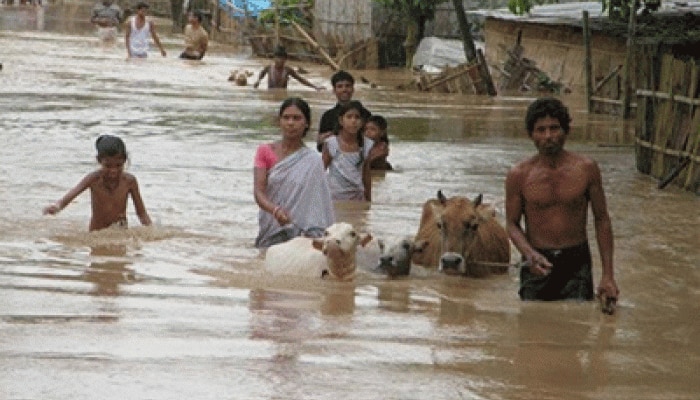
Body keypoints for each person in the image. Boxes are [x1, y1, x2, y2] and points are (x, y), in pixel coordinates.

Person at [504, 97, 619, 303]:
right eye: (541, 130)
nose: (548, 136)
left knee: (578, 326)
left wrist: (608, 276)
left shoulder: (586, 169)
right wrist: (529, 254)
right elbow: (512, 224)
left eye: (554, 128)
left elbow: (602, 220)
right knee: (532, 326)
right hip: (537, 262)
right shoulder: (519, 175)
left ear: (566, 131)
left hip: (576, 262)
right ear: (531, 135)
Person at [253, 97, 335, 248]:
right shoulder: (265, 151)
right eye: (286, 118)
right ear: (279, 121)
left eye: (297, 118)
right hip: (272, 229)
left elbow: (319, 204)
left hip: (303, 235)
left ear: (306, 124)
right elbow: (259, 193)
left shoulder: (314, 161)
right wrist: (275, 211)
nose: (290, 123)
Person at [43, 135, 152, 231]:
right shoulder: (93, 179)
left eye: (118, 165)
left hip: (121, 233)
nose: (113, 171)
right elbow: (73, 193)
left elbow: (141, 213)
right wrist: (57, 207)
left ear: (125, 161)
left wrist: (151, 231)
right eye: (108, 166)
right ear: (99, 161)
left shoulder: (130, 181)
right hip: (96, 233)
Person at [322, 101, 387, 202]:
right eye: (349, 117)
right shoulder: (331, 143)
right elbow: (321, 170)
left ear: (362, 122)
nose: (353, 121)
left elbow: (366, 175)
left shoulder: (367, 144)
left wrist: (368, 200)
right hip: (335, 198)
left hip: (357, 197)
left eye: (357, 117)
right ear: (341, 120)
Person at [316, 70, 370, 152]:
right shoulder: (328, 116)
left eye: (347, 86)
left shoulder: (365, 114)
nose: (344, 89)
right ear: (334, 90)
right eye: (340, 86)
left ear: (353, 89)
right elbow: (320, 146)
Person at [253, 46, 324, 91]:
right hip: (270, 94)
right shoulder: (268, 68)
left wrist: (315, 87)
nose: (280, 61)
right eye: (278, 58)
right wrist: (258, 81)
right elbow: (261, 74)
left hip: (283, 94)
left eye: (282, 59)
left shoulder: (287, 70)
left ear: (285, 60)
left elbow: (300, 79)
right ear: (274, 59)